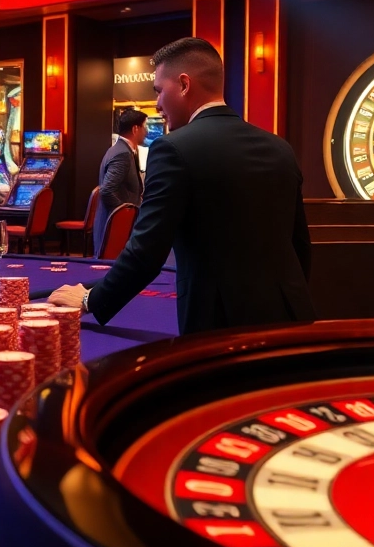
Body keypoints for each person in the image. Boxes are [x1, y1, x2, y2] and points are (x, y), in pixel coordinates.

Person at [51, 37, 314, 334]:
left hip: (221, 327)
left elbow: (146, 252)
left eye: (160, 91)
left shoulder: (172, 149)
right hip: (293, 318)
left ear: (185, 84)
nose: (158, 104)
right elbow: (300, 246)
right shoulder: (280, 148)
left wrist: (90, 298)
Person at [95, 108, 146, 254]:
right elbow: (107, 191)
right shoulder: (122, 154)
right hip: (115, 231)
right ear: (135, 128)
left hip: (117, 230)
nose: (147, 131)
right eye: (145, 127)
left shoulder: (121, 150)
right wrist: (125, 214)